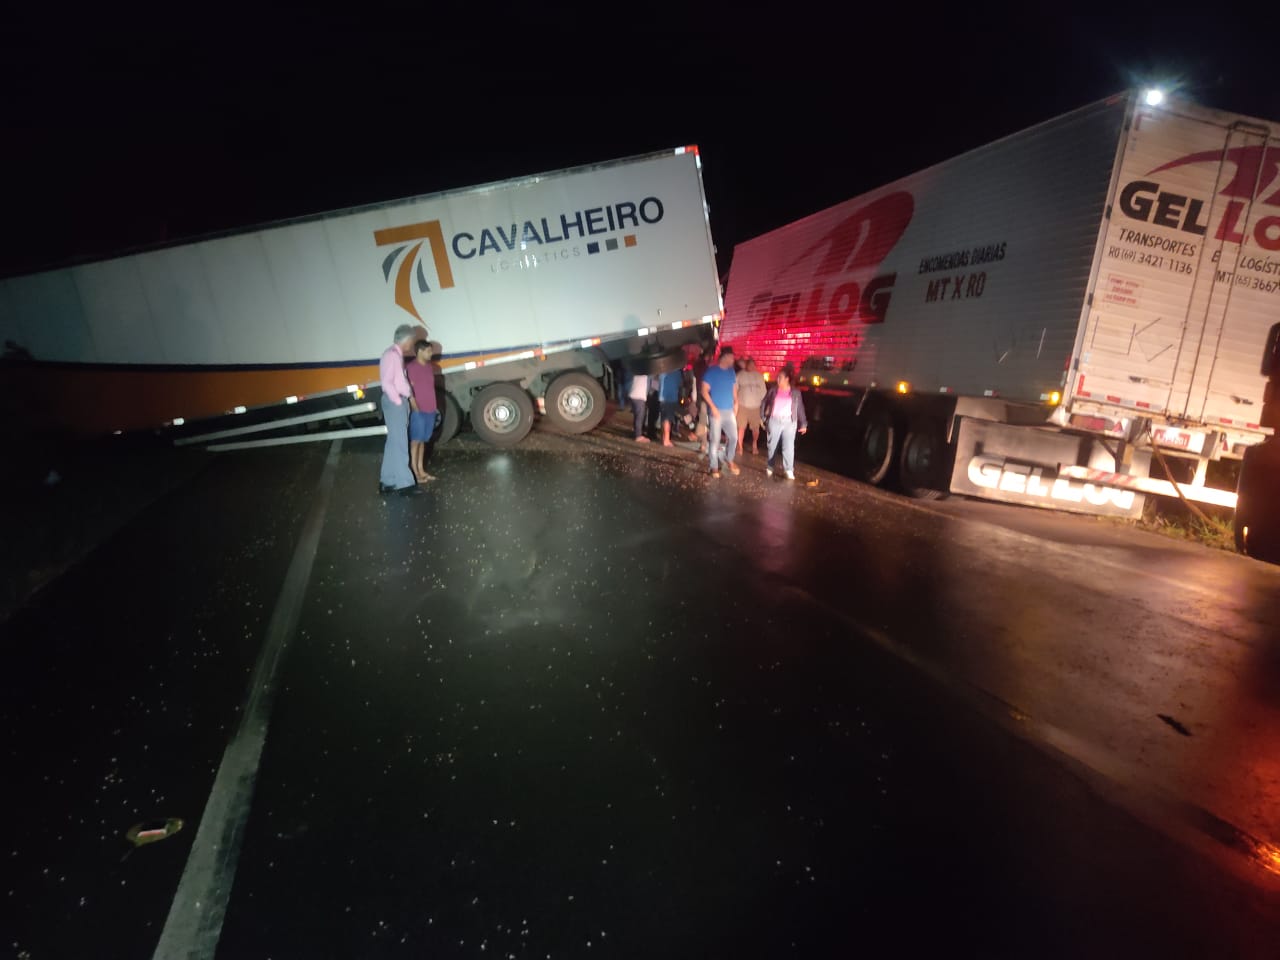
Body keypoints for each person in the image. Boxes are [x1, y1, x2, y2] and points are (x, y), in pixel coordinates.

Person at [379, 324, 423, 496]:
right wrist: (398, 401)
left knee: (393, 442)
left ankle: (388, 480)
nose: (412, 343)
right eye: (412, 340)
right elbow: (388, 382)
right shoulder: (393, 355)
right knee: (400, 443)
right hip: (395, 401)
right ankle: (404, 484)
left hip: (394, 400)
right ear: (407, 340)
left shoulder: (392, 354)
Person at [700, 345, 739, 477]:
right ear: (725, 357)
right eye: (732, 358)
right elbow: (704, 391)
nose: (733, 360)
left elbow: (734, 390)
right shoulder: (711, 371)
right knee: (715, 440)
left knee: (734, 437)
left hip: (729, 411)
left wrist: (736, 402)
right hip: (716, 412)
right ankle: (714, 467)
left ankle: (729, 459)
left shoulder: (731, 372)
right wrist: (713, 407)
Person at [762, 367, 808, 480]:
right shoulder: (773, 391)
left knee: (788, 446)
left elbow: (800, 408)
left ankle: (788, 470)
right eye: (777, 378)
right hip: (775, 420)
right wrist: (763, 417)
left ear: (787, 379)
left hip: (789, 422)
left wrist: (803, 423)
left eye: (780, 378)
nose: (778, 380)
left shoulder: (795, 392)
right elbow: (764, 402)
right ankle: (770, 466)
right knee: (772, 445)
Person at [406, 338, 439, 484]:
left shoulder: (429, 367)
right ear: (420, 351)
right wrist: (416, 409)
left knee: (423, 440)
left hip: (430, 409)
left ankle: (421, 470)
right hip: (418, 410)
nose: (431, 353)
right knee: (416, 441)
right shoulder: (411, 368)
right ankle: (415, 473)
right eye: (428, 351)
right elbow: (409, 391)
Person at [735, 357, 768, 455]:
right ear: (746, 365)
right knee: (741, 427)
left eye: (753, 365)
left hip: (755, 406)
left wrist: (760, 402)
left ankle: (754, 444)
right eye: (749, 365)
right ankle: (739, 446)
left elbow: (764, 391)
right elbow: (735, 389)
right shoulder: (740, 375)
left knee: (756, 429)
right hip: (742, 405)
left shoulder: (759, 376)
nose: (751, 367)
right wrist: (736, 401)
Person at [657, 368, 682, 446]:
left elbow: (658, 381)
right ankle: (666, 440)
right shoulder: (677, 372)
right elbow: (680, 384)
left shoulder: (662, 371)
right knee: (668, 419)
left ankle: (663, 438)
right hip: (671, 398)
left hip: (662, 398)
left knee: (663, 418)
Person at [627, 370, 650, 442]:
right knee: (640, 417)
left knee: (637, 416)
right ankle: (638, 436)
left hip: (633, 394)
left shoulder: (636, 371)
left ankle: (636, 433)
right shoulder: (647, 373)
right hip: (639, 396)